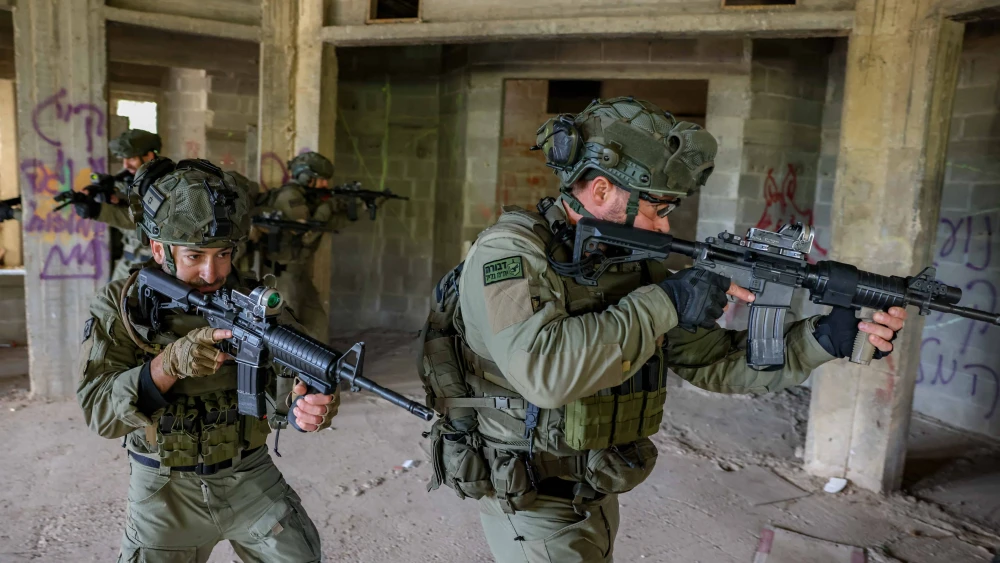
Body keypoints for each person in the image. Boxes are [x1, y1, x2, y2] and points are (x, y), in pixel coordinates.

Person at [422, 97, 907, 562]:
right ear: (601, 190)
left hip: (596, 481)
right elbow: (544, 373)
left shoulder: (628, 262)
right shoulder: (508, 253)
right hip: (532, 497)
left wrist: (822, 339)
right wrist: (668, 300)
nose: (662, 228)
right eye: (656, 209)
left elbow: (711, 361)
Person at [76, 157, 337, 562]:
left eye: (223, 254)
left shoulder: (251, 300)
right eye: (194, 256)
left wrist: (304, 405)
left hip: (249, 475)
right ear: (159, 249)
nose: (212, 273)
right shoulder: (123, 305)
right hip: (164, 490)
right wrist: (167, 366)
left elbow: (290, 383)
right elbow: (100, 413)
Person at [253, 151, 345, 342]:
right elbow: (306, 236)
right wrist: (327, 208)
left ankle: (318, 361)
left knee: (317, 322)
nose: (325, 184)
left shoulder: (307, 198)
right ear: (306, 177)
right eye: (321, 179)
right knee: (285, 331)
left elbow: (330, 225)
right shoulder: (290, 196)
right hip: (283, 276)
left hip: (298, 273)